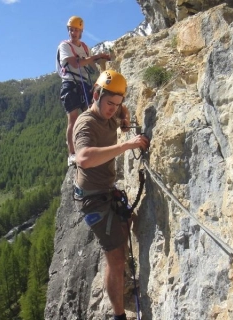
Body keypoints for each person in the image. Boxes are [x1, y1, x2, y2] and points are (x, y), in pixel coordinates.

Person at [73, 70, 149, 320]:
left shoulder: (111, 111)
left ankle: (119, 279)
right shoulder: (86, 123)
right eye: (109, 103)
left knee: (125, 225)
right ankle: (118, 315)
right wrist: (126, 145)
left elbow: (121, 112)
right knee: (115, 259)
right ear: (96, 95)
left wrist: (124, 116)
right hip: (93, 198)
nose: (112, 109)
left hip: (104, 191)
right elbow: (83, 158)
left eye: (117, 104)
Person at [56, 16, 110, 166]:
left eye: (76, 30)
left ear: (81, 31)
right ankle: (72, 154)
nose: (73, 32)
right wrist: (96, 57)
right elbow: (75, 63)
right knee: (73, 119)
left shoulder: (85, 48)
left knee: (90, 115)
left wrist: (102, 60)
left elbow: (91, 65)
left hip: (84, 84)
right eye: (71, 29)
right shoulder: (65, 46)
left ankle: (91, 146)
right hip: (70, 84)